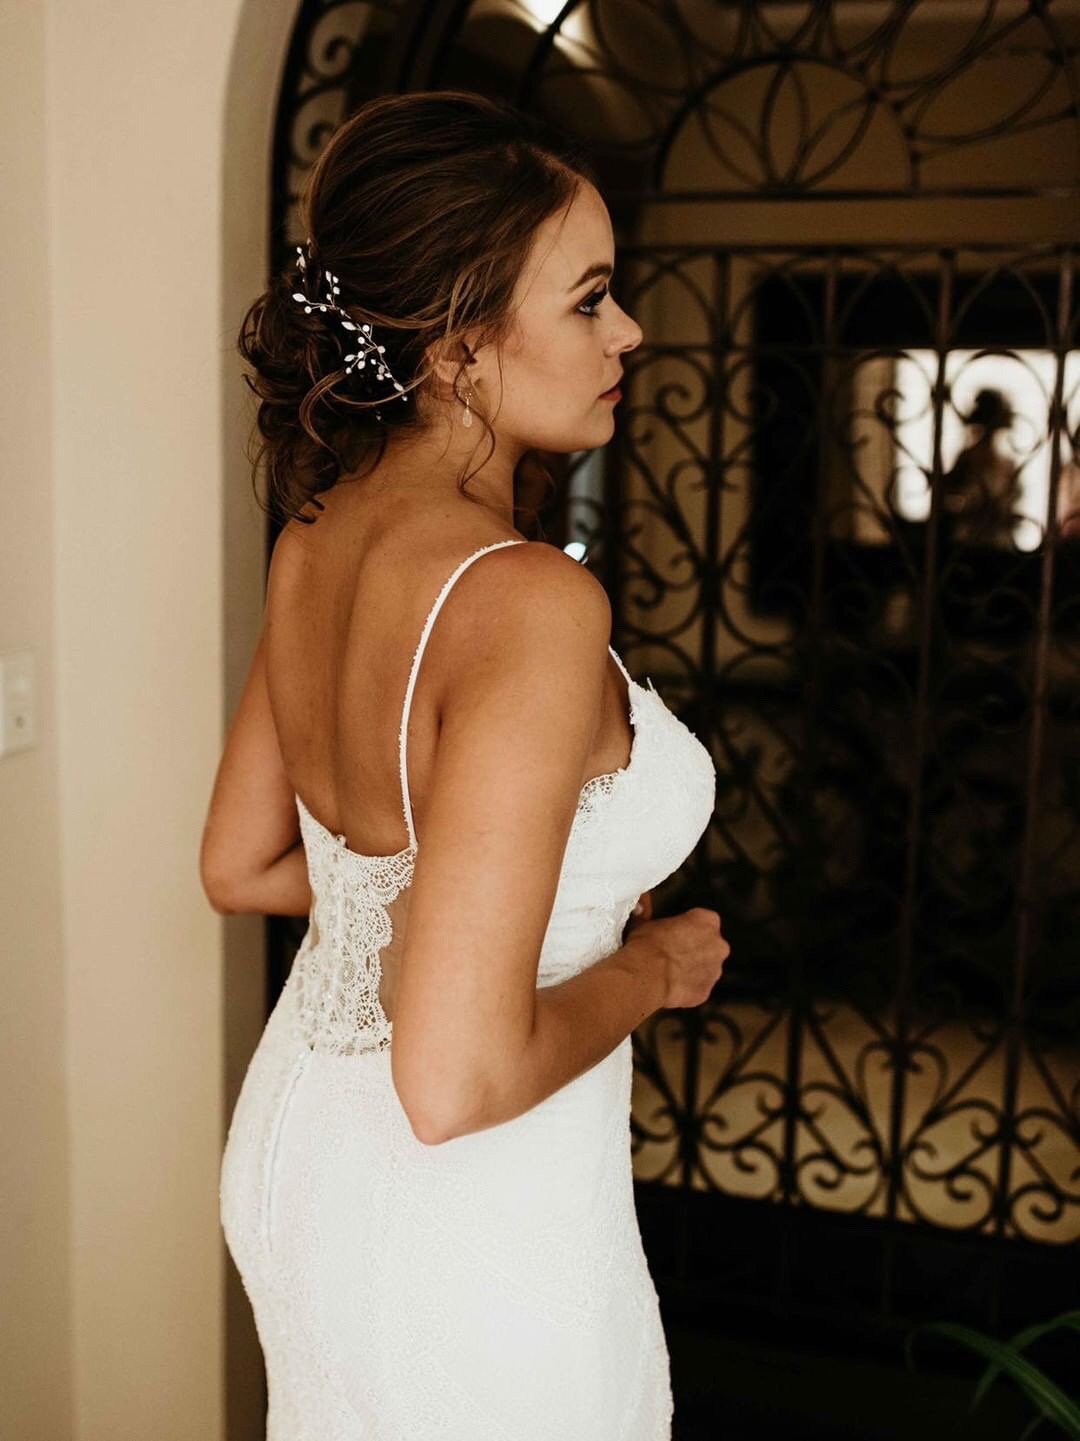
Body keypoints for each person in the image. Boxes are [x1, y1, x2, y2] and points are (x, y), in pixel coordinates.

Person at [201, 89, 728, 1440]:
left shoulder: (314, 538)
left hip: (300, 1153)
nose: (631, 332)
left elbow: (245, 863)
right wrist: (644, 970)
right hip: (462, 1213)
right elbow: (451, 1083)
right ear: (455, 345)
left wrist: (447, 932)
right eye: (593, 300)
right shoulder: (529, 604)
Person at [941, 387, 1022, 548]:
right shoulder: (968, 457)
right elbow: (951, 495)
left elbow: (1013, 497)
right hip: (969, 538)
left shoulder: (1005, 463)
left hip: (998, 540)